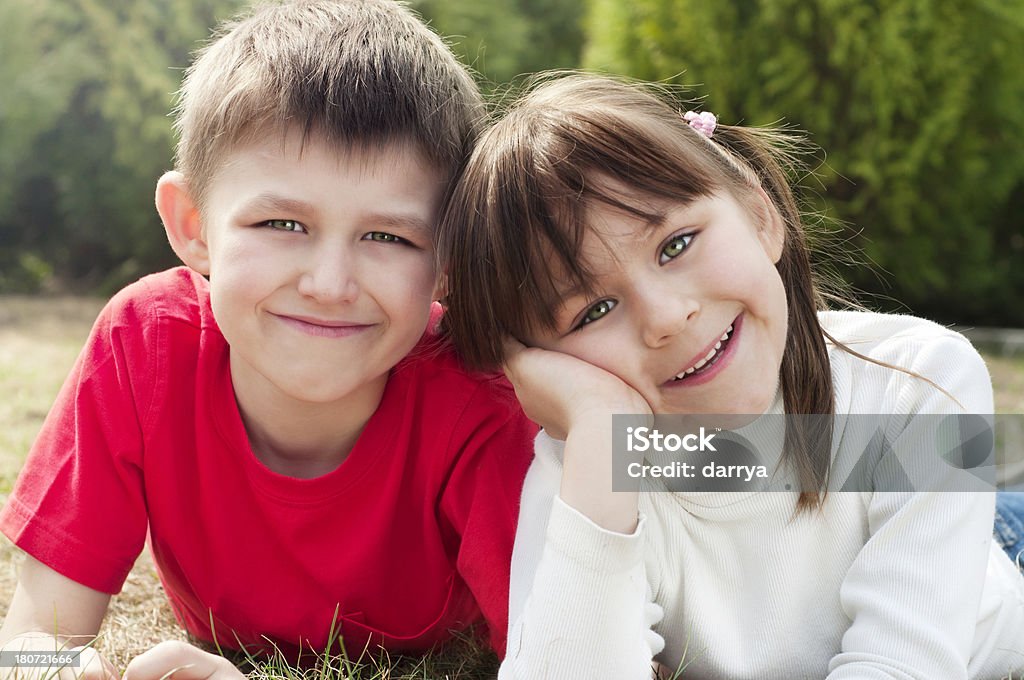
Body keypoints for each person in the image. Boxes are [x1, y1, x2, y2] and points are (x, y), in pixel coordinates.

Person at [0, 1, 536, 677]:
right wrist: (50, 670)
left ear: (448, 261)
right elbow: (34, 636)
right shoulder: (145, 345)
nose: (330, 283)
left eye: (389, 237)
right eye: (283, 224)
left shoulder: (479, 397)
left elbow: (572, 653)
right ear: (193, 225)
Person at [438, 73, 1024, 679]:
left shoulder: (915, 383)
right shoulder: (585, 467)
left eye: (676, 244)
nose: (667, 317)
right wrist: (602, 434)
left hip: (993, 561)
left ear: (758, 212)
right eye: (594, 311)